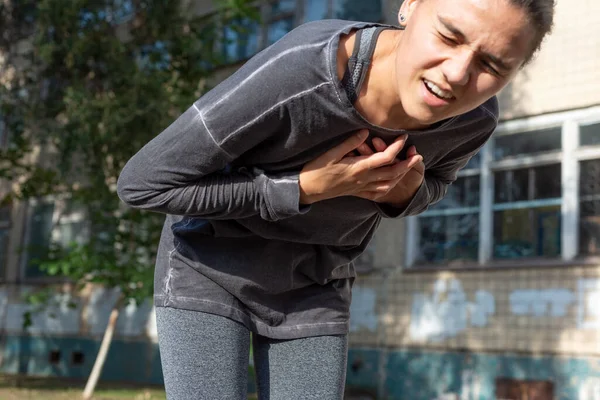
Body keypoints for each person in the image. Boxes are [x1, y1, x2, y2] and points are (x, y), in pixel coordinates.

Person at [117, 0, 555, 398]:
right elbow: (144, 184)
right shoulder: (301, 71)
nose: (457, 74)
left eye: (492, 65)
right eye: (448, 36)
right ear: (410, 7)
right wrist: (305, 188)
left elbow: (433, 184)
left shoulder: (474, 120)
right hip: (210, 264)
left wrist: (406, 194)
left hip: (316, 283)